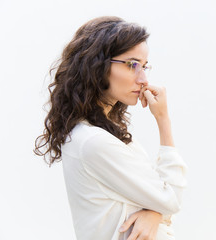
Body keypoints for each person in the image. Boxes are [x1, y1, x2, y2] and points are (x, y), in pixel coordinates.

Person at [34, 16, 188, 240]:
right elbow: (171, 198)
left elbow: (162, 195)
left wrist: (154, 211)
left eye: (144, 66)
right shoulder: (94, 141)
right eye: (132, 64)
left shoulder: (105, 134)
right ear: (96, 65)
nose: (143, 79)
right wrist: (163, 120)